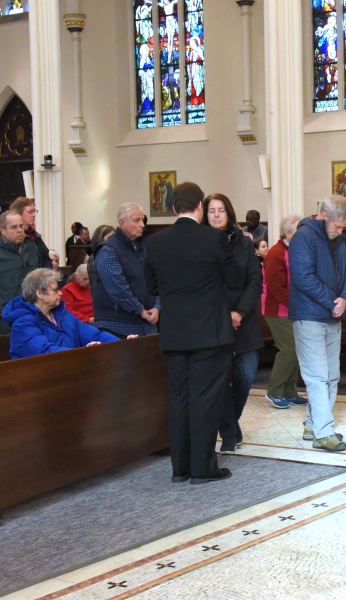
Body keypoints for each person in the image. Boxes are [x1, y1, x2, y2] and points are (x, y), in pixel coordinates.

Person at [145, 182, 244, 485]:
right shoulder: (213, 239)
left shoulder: (156, 242)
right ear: (200, 207)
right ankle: (202, 469)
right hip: (209, 333)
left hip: (174, 332)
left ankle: (181, 468)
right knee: (205, 399)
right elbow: (235, 279)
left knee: (179, 397)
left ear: (174, 207)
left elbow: (151, 287)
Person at [289, 195, 346, 452]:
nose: (340, 232)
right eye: (337, 226)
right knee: (317, 377)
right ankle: (323, 434)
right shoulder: (303, 237)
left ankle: (312, 424)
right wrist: (332, 301)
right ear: (324, 215)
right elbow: (303, 278)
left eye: (343, 229)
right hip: (309, 317)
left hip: (332, 315)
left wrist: (345, 299)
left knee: (331, 376)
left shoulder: (337, 240)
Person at [203, 193, 265, 453]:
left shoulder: (243, 241)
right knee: (221, 379)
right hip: (214, 322)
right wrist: (223, 314)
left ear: (229, 213)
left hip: (244, 319)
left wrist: (239, 312)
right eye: (211, 211)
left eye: (221, 210)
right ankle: (229, 432)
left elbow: (254, 280)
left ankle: (231, 423)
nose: (217, 215)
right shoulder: (201, 242)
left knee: (246, 374)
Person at [3, 269, 122, 359]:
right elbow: (44, 353)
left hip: (67, 370)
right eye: (55, 290)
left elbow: (93, 335)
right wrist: (83, 353)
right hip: (37, 382)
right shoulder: (22, 323)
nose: (60, 293)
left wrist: (122, 345)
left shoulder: (62, 314)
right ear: (39, 293)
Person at [92, 203, 159, 338]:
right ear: (122, 223)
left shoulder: (145, 246)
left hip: (148, 323)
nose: (142, 225)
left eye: (143, 220)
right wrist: (140, 310)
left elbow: (158, 278)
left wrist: (157, 307)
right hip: (117, 325)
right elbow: (117, 288)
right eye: (137, 220)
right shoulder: (108, 250)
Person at [262, 214, 306, 409]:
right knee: (288, 348)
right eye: (299, 230)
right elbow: (277, 287)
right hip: (277, 308)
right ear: (288, 232)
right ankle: (275, 390)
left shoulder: (297, 249)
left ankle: (289, 390)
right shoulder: (275, 253)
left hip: (294, 307)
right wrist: (297, 305)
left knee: (297, 349)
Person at [0, 210, 42, 333]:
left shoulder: (32, 248)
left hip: (32, 312)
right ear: (2, 231)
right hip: (4, 318)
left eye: (21, 226)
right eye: (14, 227)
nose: (20, 230)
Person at [10, 197, 53, 269]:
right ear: (19, 214)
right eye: (30, 212)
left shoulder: (34, 235)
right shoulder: (13, 236)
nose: (34, 215)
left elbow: (46, 258)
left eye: (34, 211)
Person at [86, 224, 116, 291]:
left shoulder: (114, 255)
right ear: (100, 239)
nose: (114, 241)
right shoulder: (94, 258)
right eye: (109, 238)